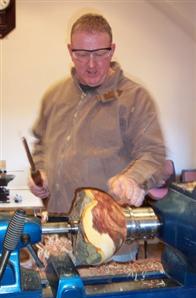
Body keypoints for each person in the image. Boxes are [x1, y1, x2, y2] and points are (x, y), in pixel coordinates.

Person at [29, 13, 166, 217]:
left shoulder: (135, 98)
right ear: (70, 51)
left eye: (100, 53)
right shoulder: (54, 96)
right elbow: (41, 145)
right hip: (57, 220)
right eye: (82, 54)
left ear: (112, 50)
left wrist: (132, 179)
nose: (91, 65)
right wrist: (41, 172)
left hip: (108, 230)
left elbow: (153, 154)